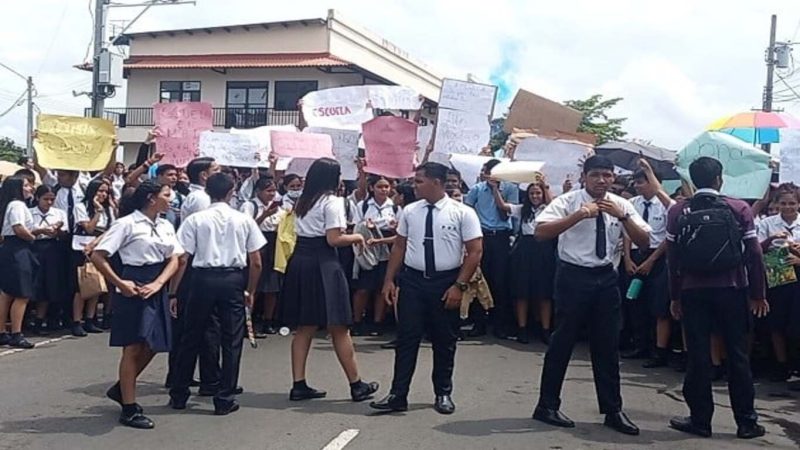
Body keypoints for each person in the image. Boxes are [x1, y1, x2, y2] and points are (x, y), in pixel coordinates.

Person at [531, 155, 650, 436]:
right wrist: (578, 215)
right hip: (573, 276)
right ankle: (546, 405)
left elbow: (645, 240)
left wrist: (622, 216)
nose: (602, 181)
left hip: (606, 277)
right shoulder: (568, 201)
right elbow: (540, 232)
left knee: (607, 346)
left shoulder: (620, 204)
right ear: (584, 176)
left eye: (607, 175)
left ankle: (612, 410)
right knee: (562, 342)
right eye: (596, 175)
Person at [666, 156, 767, 439]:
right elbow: (755, 253)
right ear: (719, 179)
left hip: (692, 292)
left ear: (692, 180)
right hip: (732, 290)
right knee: (737, 355)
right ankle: (746, 422)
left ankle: (700, 421)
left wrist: (674, 297)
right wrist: (758, 293)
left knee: (698, 356)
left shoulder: (678, 211)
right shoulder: (738, 208)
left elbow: (672, 260)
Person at [370, 162, 483, 415]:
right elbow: (399, 246)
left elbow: (475, 252)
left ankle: (443, 392)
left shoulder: (462, 212)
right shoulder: (410, 211)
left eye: (419, 181)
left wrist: (459, 285)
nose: (414, 185)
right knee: (407, 339)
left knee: (444, 340)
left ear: (436, 182)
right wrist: (389, 280)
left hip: (446, 282)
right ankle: (398, 394)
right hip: (413, 281)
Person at [277, 158, 379, 403]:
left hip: (301, 260)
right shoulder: (331, 202)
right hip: (323, 262)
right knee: (339, 326)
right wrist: (356, 237)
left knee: (305, 326)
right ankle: (356, 384)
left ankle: (298, 383)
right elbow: (333, 239)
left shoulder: (304, 200)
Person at [169, 173, 265, 415]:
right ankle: (224, 398)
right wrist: (250, 291)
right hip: (232, 279)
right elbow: (256, 262)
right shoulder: (243, 220)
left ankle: (179, 393)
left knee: (191, 335)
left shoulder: (195, 220)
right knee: (231, 339)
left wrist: (173, 292)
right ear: (231, 191)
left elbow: (182, 258)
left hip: (202, 279)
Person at [91, 181, 183, 429]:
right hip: (134, 282)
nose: (171, 198)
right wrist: (120, 283)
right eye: (166, 194)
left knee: (155, 342)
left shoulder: (165, 224)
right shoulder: (127, 224)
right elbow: (98, 255)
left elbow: (175, 258)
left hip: (156, 284)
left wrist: (160, 283)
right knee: (132, 347)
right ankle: (129, 407)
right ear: (152, 198)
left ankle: (122, 388)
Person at [168, 156, 222, 394]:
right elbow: (203, 233)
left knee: (195, 325)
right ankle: (204, 377)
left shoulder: (197, 196)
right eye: (216, 170)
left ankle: (184, 374)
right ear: (204, 175)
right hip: (195, 263)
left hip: (193, 261)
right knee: (202, 325)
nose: (220, 173)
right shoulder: (200, 198)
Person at [621, 161, 675, 368]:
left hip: (658, 257)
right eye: (635, 182)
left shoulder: (666, 205)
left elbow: (669, 237)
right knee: (634, 301)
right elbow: (626, 232)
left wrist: (651, 261)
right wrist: (627, 258)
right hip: (635, 255)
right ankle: (640, 344)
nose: (637, 185)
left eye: (642, 182)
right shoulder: (632, 203)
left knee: (659, 304)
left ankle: (659, 350)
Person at [493, 179, 556, 344]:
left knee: (544, 293)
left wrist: (545, 185)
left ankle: (545, 330)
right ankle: (522, 329)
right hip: (525, 251)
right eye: (532, 193)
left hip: (544, 250)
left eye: (538, 193)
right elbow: (503, 206)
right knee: (522, 291)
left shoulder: (549, 209)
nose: (535, 196)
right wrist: (495, 189)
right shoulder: (523, 210)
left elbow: (552, 204)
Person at [465, 159, 518, 338]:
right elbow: (467, 212)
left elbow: (505, 215)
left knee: (500, 282)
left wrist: (496, 190)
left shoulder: (510, 188)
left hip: (501, 237)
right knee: (479, 280)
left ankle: (499, 324)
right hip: (481, 237)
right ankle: (478, 323)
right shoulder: (477, 189)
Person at [758, 183, 800, 382]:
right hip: (777, 272)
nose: (788, 207)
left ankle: (795, 365)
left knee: (795, 324)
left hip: (798, 276)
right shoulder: (768, 223)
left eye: (792, 203)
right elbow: (756, 249)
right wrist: (771, 240)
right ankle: (781, 364)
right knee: (777, 322)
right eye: (783, 203)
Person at [351, 174, 398, 337]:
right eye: (380, 186)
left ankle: (377, 323)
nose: (384, 190)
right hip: (367, 247)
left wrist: (393, 228)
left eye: (386, 186)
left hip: (387, 248)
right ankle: (356, 321)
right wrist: (368, 226)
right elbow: (356, 226)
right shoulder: (363, 205)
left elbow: (401, 233)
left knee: (380, 287)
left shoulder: (395, 207)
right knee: (363, 288)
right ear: (372, 188)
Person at [71, 178, 116, 336]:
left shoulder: (108, 209)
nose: (103, 194)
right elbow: (89, 228)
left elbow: (111, 230)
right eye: (100, 191)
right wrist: (98, 211)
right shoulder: (81, 206)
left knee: (97, 285)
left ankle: (90, 319)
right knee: (81, 286)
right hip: (81, 248)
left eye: (105, 191)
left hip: (100, 248)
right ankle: (77, 320)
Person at [240, 177, 283, 336]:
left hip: (273, 245)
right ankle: (247, 322)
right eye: (268, 191)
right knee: (254, 286)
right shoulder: (249, 205)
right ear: (258, 191)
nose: (272, 194)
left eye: (274, 191)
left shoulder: (278, 206)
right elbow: (247, 228)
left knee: (272, 288)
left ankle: (268, 321)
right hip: (256, 244)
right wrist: (264, 215)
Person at [0, 176, 38, 349]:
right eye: (26, 185)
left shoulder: (9, 205)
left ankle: (2, 331)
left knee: (6, 293)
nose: (30, 188)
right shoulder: (17, 205)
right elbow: (18, 228)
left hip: (9, 247)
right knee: (22, 293)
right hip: (18, 248)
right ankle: (16, 332)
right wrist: (32, 237)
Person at [29, 185, 69, 335]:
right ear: (38, 198)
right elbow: (26, 230)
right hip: (34, 247)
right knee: (34, 284)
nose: (49, 202)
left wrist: (58, 231)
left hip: (53, 248)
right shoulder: (29, 212)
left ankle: (40, 320)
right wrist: (41, 230)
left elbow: (65, 235)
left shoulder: (59, 213)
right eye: (46, 199)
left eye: (52, 199)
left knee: (48, 285)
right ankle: (27, 319)